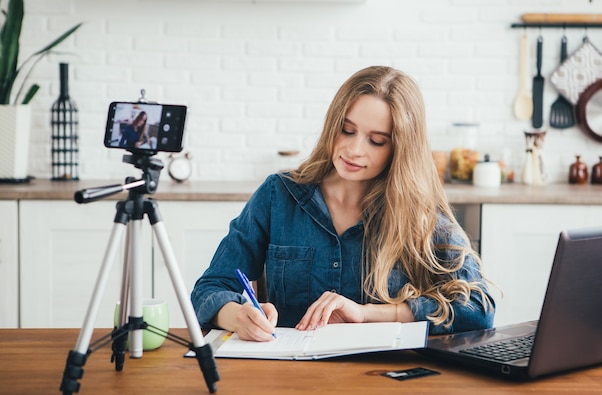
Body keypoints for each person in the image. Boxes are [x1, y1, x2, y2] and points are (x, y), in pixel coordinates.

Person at [191, 65, 495, 342]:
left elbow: (478, 307)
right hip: (291, 377)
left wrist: (367, 315)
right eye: (346, 130)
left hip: (384, 380)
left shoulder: (417, 210)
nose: (354, 149)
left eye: (376, 140)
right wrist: (237, 316)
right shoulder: (278, 195)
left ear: (399, 148)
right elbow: (208, 289)